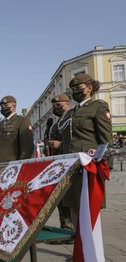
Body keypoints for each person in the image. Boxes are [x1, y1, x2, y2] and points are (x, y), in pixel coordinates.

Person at [54, 73, 113, 230]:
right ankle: (78, 250)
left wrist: (106, 166)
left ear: (90, 88)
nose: (76, 92)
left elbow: (106, 139)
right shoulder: (72, 112)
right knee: (73, 205)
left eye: (79, 88)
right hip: (71, 166)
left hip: (89, 166)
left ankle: (89, 252)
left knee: (89, 208)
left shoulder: (98, 107)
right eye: (73, 89)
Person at [46, 94, 74, 233]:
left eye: (59, 105)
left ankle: (71, 228)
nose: (55, 108)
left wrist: (60, 144)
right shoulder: (56, 123)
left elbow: (76, 140)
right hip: (57, 165)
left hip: (69, 163)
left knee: (69, 199)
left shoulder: (72, 119)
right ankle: (65, 227)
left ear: (67, 104)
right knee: (60, 199)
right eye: (54, 106)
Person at [0, 95, 34, 178]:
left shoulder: (22, 121)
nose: (3, 108)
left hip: (12, 170)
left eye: (6, 106)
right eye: (1, 106)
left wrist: (20, 168)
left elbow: (27, 148)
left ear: (14, 107)